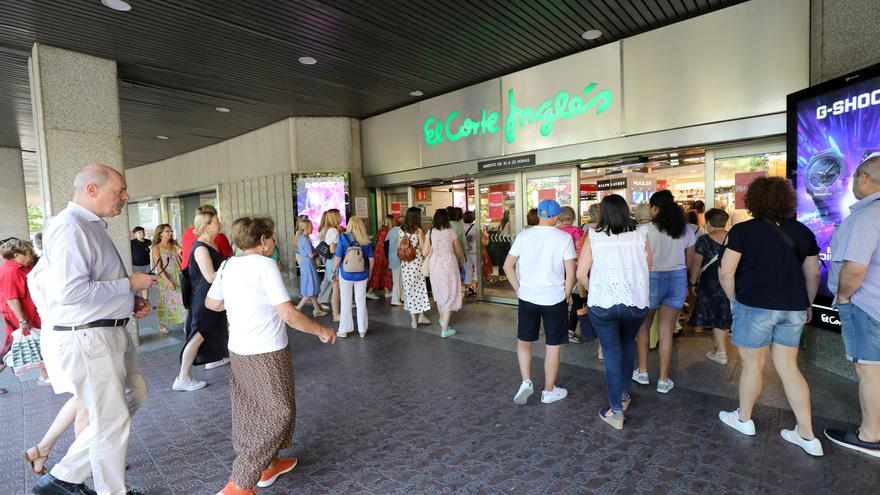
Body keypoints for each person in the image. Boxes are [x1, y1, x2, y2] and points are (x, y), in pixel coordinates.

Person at [33, 164, 154, 495]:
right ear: (91, 189)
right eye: (120, 190)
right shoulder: (70, 227)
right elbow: (71, 292)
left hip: (106, 331)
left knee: (132, 397)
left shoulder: (89, 226)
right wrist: (128, 284)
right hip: (89, 336)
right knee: (110, 420)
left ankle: (64, 477)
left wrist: (128, 301)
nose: (125, 197)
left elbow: (93, 286)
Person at [205, 216, 336, 495]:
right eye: (272, 237)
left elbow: (212, 303)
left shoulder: (228, 265)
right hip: (267, 351)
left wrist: (240, 300)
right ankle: (240, 483)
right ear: (263, 241)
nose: (274, 242)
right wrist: (320, 331)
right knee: (279, 412)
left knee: (249, 408)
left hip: (239, 349)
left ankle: (270, 463)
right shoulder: (265, 265)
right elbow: (287, 314)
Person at [718, 176, 823, 457]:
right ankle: (807, 435)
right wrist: (807, 303)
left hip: (753, 306)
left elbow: (726, 271)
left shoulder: (742, 231)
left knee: (752, 366)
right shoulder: (803, 232)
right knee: (789, 368)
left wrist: (733, 299)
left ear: (753, 201)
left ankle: (744, 419)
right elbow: (813, 273)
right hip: (794, 308)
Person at [577, 194, 651, 429]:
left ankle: (616, 412)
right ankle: (623, 396)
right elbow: (649, 266)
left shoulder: (594, 237)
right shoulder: (642, 234)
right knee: (628, 344)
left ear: (604, 214)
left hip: (603, 304)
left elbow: (581, 274)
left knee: (610, 352)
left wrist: (597, 289)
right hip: (636, 303)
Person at [825, 153, 880, 457]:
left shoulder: (867, 215)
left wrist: (844, 296)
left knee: (869, 370)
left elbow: (855, 268)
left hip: (869, 307)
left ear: (863, 178)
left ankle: (870, 435)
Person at [504, 199, 576, 405]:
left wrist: (519, 289)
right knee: (553, 346)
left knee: (524, 341)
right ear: (555, 217)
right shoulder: (564, 237)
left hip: (528, 297)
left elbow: (508, 266)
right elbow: (570, 272)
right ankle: (548, 391)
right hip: (554, 298)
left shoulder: (523, 236)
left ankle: (526, 381)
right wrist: (567, 293)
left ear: (539, 215)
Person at [24, 257, 89, 477]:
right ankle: (82, 463)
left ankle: (42, 449)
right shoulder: (48, 271)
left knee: (82, 398)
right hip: (65, 336)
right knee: (84, 401)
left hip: (60, 336)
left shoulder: (41, 268)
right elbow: (68, 305)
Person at [633, 190, 695, 394]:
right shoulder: (685, 230)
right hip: (677, 277)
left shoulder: (644, 230)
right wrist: (689, 281)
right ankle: (663, 379)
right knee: (666, 331)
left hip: (650, 278)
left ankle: (642, 372)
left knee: (644, 326)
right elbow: (690, 260)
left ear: (655, 208)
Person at [174, 209, 229, 391]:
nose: (219, 224)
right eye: (215, 221)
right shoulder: (201, 248)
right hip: (203, 301)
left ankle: (213, 359)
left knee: (208, 333)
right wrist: (230, 266)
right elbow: (211, 276)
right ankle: (183, 377)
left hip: (211, 298)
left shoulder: (210, 244)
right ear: (205, 225)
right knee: (197, 337)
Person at [0, 238, 49, 384]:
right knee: (10, 349)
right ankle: (45, 376)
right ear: (17, 254)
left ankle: (45, 375)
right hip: (20, 316)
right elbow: (12, 299)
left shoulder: (20, 267)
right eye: (28, 252)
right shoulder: (11, 271)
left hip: (28, 314)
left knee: (37, 341)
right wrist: (22, 320)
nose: (32, 255)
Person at [688, 208, 732, 365]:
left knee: (715, 315)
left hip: (710, 283)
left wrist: (693, 282)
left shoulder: (704, 240)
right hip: (730, 281)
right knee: (725, 314)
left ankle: (721, 352)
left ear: (708, 222)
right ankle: (719, 348)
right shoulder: (733, 238)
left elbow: (696, 263)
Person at [332, 217, 375, 338]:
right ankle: (362, 330)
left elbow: (338, 257)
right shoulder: (366, 240)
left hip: (345, 274)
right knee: (361, 301)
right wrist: (370, 273)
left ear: (350, 225)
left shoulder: (343, 238)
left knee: (345, 301)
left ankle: (344, 330)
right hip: (362, 274)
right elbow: (371, 259)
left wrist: (333, 270)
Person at [424, 209, 464, 338]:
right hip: (449, 265)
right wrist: (461, 259)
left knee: (439, 292)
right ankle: (445, 329)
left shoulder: (430, 232)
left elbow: (424, 252)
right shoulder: (451, 232)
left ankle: (442, 320)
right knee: (450, 294)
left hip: (434, 265)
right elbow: (458, 250)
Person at [150, 224, 186, 335]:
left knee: (182, 299)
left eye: (170, 231)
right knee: (165, 301)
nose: (170, 233)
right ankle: (162, 323)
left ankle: (186, 322)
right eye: (167, 231)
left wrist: (180, 251)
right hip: (165, 277)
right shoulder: (156, 247)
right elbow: (159, 267)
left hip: (178, 275)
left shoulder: (174, 245)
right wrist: (167, 281)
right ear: (160, 233)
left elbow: (183, 259)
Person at [557, 206, 585, 345]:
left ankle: (558, 328)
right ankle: (570, 330)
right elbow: (580, 251)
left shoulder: (554, 232)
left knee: (560, 300)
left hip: (557, 272)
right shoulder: (575, 231)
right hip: (572, 271)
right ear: (571, 217)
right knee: (577, 302)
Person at [400, 207, 432, 329]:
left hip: (405, 265)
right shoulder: (418, 231)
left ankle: (413, 320)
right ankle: (421, 316)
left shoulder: (401, 231)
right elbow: (424, 251)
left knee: (409, 291)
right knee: (420, 291)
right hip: (417, 264)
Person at [180, 204, 233, 270]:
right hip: (208, 276)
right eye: (216, 221)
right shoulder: (218, 236)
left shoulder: (186, 232)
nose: (219, 223)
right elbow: (230, 258)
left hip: (186, 274)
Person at [293, 219, 326, 317]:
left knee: (310, 286)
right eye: (311, 227)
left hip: (307, 264)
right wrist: (318, 251)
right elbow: (311, 254)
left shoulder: (304, 238)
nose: (312, 228)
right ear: (306, 228)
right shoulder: (304, 239)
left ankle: (317, 310)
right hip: (308, 264)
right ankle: (298, 307)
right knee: (310, 286)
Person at [317, 209, 343, 322]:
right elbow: (332, 249)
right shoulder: (333, 231)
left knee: (335, 288)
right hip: (334, 262)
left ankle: (336, 313)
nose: (341, 217)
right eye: (338, 215)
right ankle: (336, 314)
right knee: (336, 289)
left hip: (331, 262)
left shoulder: (330, 230)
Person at [366, 215, 393, 300]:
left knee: (381, 272)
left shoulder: (381, 230)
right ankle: (370, 292)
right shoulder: (386, 231)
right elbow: (387, 243)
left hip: (378, 252)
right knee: (381, 272)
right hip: (383, 253)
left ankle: (386, 291)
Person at [387, 218, 404, 306]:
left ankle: (399, 298)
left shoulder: (390, 231)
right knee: (399, 279)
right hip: (399, 257)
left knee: (397, 279)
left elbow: (386, 244)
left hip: (392, 257)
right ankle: (395, 300)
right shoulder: (401, 231)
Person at [463, 210, 478, 296]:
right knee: (478, 268)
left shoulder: (461, 227)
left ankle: (467, 287)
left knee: (468, 270)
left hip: (465, 252)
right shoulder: (476, 227)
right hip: (475, 252)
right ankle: (473, 285)